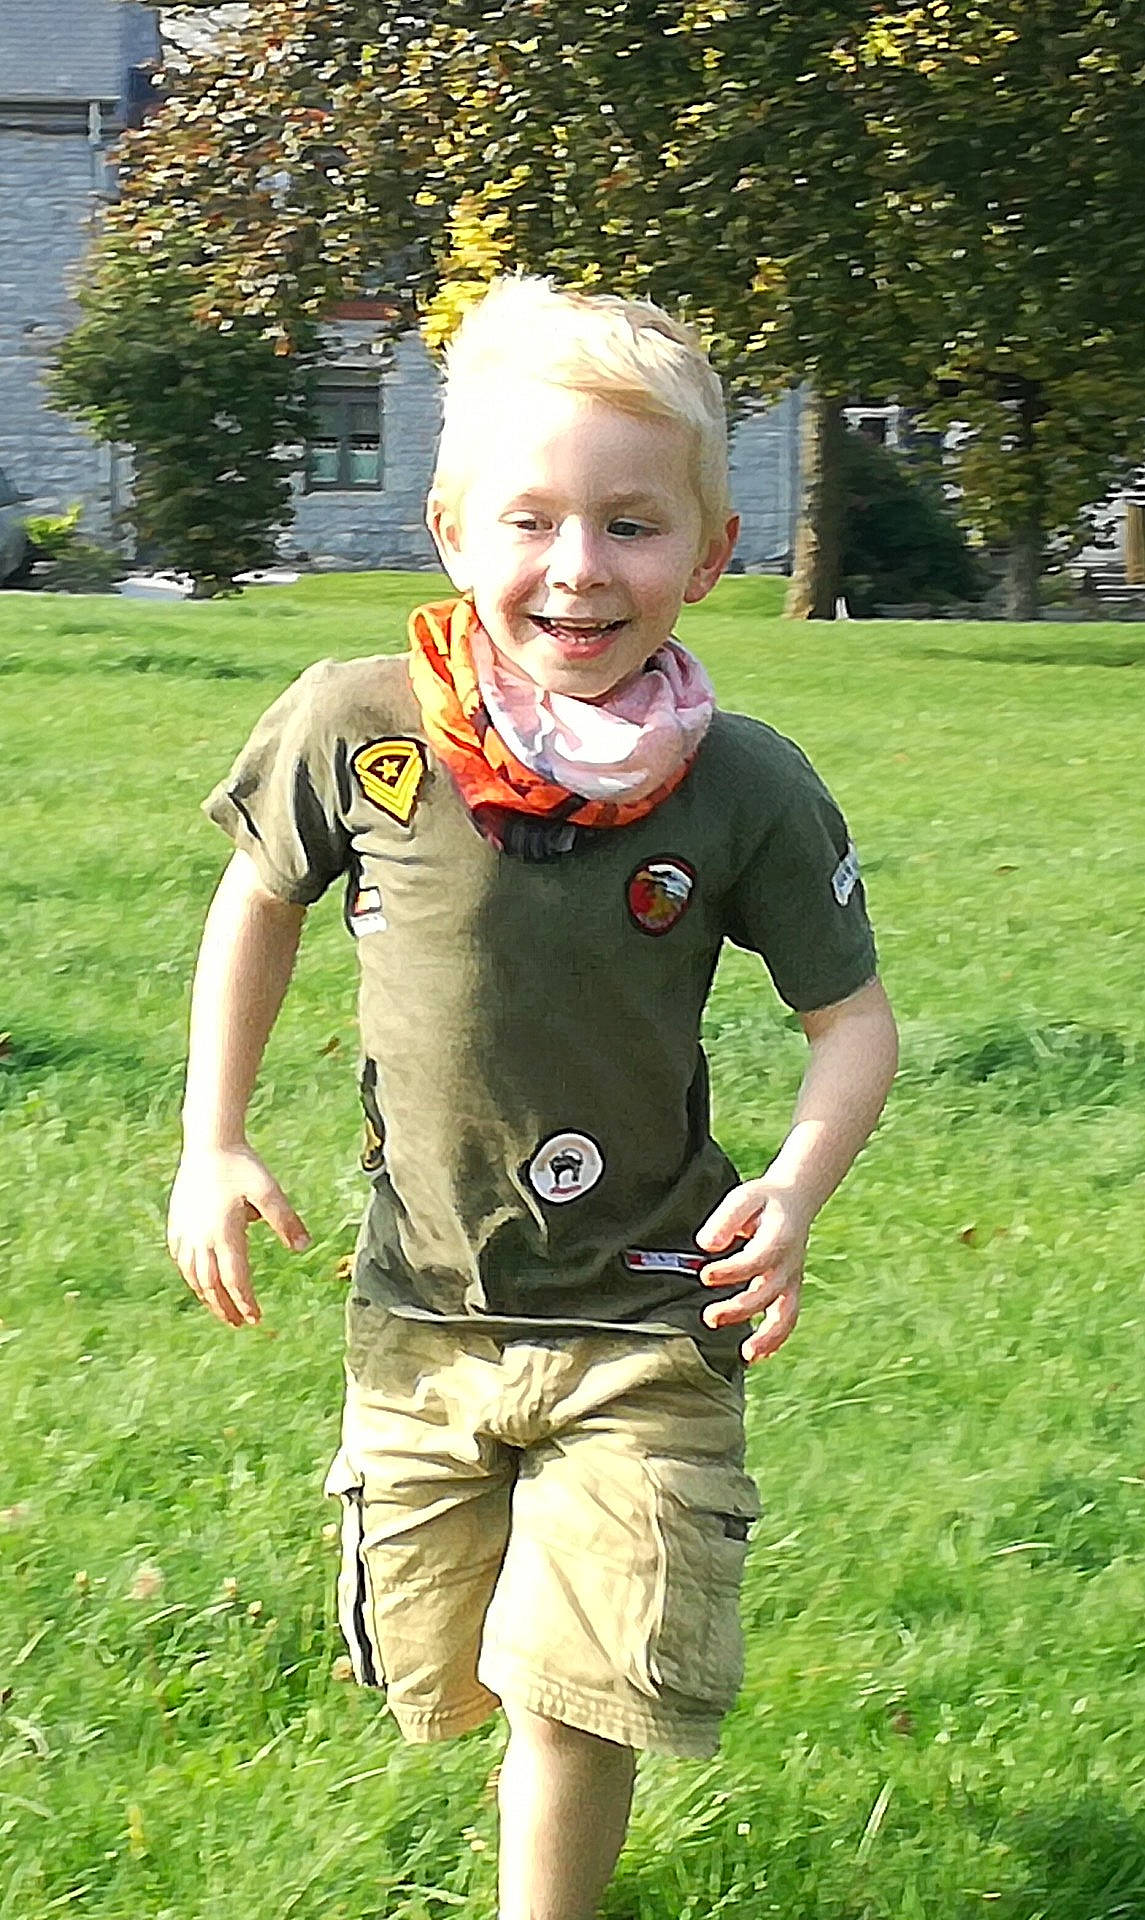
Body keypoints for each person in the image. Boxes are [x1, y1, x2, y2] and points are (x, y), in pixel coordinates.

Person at [167, 275, 899, 1920]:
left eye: (634, 527)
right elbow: (258, 900)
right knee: (447, 1676)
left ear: (710, 554)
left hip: (647, 1310)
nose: (580, 569)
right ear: (447, 530)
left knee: (584, 1691)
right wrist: (211, 1141)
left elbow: (850, 1021)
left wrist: (790, 1190)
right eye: (534, 521)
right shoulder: (360, 730)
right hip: (423, 1308)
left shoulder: (744, 784)